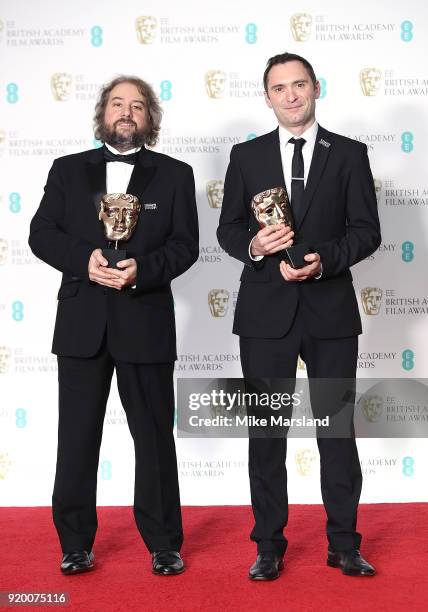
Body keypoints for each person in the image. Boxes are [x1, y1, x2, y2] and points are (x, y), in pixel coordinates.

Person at [217, 52, 381, 580]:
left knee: (335, 431)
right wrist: (255, 245)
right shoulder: (246, 156)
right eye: (279, 87)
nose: (291, 95)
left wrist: (324, 261)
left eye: (300, 84)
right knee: (267, 433)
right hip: (265, 313)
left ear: (316, 88)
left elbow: (366, 230)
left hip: (329, 309)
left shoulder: (350, 154)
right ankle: (268, 546)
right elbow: (228, 228)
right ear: (266, 97)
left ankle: (344, 543)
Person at [29, 75, 199, 576]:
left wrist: (141, 270)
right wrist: (86, 261)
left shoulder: (175, 174)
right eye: (118, 104)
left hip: (144, 320)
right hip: (82, 322)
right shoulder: (67, 170)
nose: (127, 112)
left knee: (152, 438)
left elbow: (185, 245)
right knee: (77, 437)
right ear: (103, 112)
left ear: (150, 118)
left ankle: (164, 542)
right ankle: (75, 543)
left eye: (138, 106)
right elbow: (41, 234)